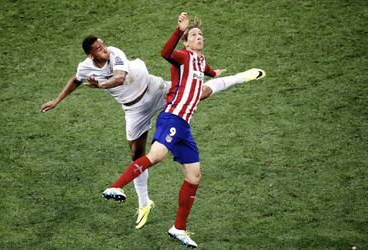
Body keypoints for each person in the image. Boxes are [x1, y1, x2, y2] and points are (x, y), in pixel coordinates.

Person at [41, 31, 265, 230]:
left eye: (104, 44)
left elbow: (119, 78)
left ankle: (239, 77)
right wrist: (57, 100)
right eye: (99, 48)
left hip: (154, 89)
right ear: (91, 55)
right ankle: (144, 203)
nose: (105, 49)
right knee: (136, 156)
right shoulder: (85, 67)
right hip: (134, 110)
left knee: (198, 93)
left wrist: (100, 85)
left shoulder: (115, 54)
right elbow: (76, 79)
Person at [101, 13, 265, 247]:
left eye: (200, 35)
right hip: (172, 117)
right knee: (156, 156)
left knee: (194, 176)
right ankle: (116, 186)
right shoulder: (183, 56)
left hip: (184, 127)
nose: (199, 37)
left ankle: (179, 228)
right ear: (186, 43)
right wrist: (179, 31)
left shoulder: (200, 61)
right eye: (194, 35)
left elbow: (204, 69)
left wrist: (213, 73)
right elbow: (165, 53)